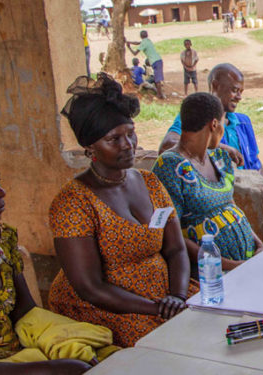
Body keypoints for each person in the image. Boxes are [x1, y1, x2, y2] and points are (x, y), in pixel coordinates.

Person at [47, 74, 197, 348]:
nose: (128, 144)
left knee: (210, 325)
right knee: (168, 348)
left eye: (130, 133)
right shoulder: (74, 203)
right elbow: (90, 287)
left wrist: (177, 295)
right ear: (90, 148)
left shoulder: (149, 183)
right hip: (110, 307)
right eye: (113, 139)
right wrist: (157, 309)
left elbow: (175, 249)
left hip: (164, 295)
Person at [0, 156, 119, 374]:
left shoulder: (1, 239)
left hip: (18, 355)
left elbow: (26, 312)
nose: (1, 192)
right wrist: (47, 369)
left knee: (109, 357)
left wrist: (68, 348)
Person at [153, 93, 263, 275]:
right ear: (214, 125)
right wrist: (229, 265)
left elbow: (231, 208)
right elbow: (170, 233)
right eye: (223, 122)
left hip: (246, 261)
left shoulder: (219, 157)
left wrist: (259, 245)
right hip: (210, 272)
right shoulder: (169, 166)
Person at [158, 63, 263, 175]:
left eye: (241, 92)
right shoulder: (194, 115)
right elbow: (168, 144)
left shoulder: (243, 122)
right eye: (234, 90)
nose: (239, 97)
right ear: (215, 86)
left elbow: (256, 163)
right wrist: (220, 148)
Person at [127, 31, 164, 99]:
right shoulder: (148, 41)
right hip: (158, 60)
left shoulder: (143, 43)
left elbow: (135, 53)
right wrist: (129, 42)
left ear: (141, 36)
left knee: (157, 80)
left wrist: (129, 47)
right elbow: (138, 43)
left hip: (155, 61)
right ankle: (160, 94)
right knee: (156, 79)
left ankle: (160, 95)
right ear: (147, 35)